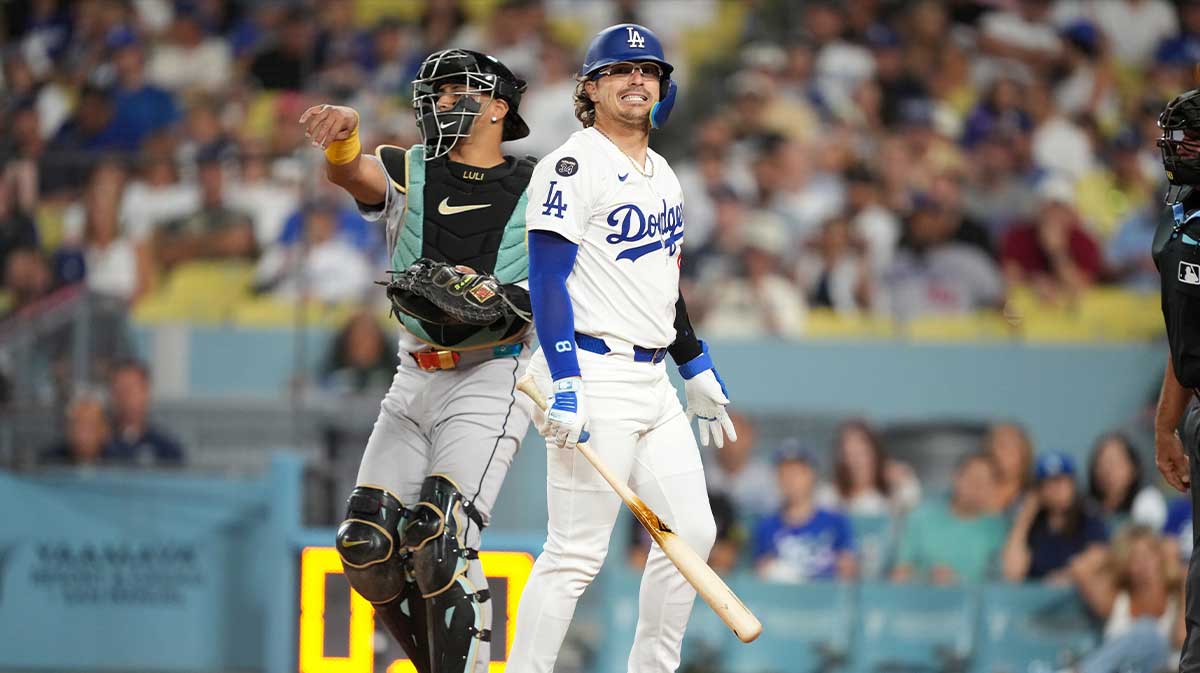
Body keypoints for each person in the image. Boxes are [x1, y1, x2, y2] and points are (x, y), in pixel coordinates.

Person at [299, 48, 536, 673]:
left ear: (499, 107)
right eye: (437, 91)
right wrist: (346, 138)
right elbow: (352, 177)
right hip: (414, 368)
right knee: (365, 545)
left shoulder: (540, 184)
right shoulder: (410, 168)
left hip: (494, 371)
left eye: (460, 91)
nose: (443, 101)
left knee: (440, 540)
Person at [508, 24, 735, 673]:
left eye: (650, 70)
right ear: (591, 87)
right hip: (589, 369)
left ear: (664, 88)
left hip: (651, 381)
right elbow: (548, 278)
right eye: (621, 70)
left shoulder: (663, 173)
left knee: (693, 534)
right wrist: (565, 379)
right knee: (575, 553)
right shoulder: (572, 165)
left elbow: (662, 281)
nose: (638, 79)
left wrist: (691, 360)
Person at [1151, 86, 1200, 672]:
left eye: (1192, 139)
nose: (1178, 148)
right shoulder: (1183, 207)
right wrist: (1167, 424)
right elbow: (1182, 328)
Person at [1068, 525, 1186, 673]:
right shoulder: (1116, 600)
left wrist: (1182, 578)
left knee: (1148, 631)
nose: (1143, 564)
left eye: (1148, 555)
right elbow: (1079, 568)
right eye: (1134, 559)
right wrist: (1112, 554)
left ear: (1159, 556)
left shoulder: (1175, 595)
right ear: (1125, 564)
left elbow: (1182, 639)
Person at [890, 452, 1008, 585]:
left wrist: (958, 581)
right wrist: (928, 577)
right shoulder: (920, 519)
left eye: (985, 482)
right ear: (956, 478)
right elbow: (899, 574)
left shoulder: (999, 529)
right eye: (972, 479)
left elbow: (1004, 583)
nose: (977, 487)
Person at [753, 442, 857, 583]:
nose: (791, 480)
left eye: (797, 472)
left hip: (827, 600)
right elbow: (761, 570)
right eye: (784, 473)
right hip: (784, 600)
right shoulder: (766, 526)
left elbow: (848, 568)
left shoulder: (835, 521)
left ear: (811, 475)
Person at [1001, 452, 1108, 583]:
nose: (1055, 490)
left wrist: (1065, 576)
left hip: (1076, 596)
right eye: (1047, 483)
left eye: (1060, 481)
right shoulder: (1035, 522)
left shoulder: (1087, 514)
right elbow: (1012, 573)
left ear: (1072, 484)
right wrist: (1026, 515)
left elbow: (1098, 556)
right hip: (1036, 599)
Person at [816, 417, 921, 516]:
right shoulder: (829, 495)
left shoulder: (890, 496)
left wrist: (904, 480)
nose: (856, 461)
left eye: (862, 452)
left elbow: (912, 509)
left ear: (875, 452)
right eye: (849, 453)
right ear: (841, 457)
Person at [107, 359, 184, 466]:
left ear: (146, 392)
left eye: (129, 390)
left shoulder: (167, 449)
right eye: (117, 390)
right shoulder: (99, 444)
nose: (123, 397)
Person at [1087, 432, 1167, 530]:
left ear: (1133, 468)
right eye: (1102, 464)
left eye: (1114, 463)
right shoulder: (1088, 512)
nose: (1107, 471)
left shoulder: (1147, 501)